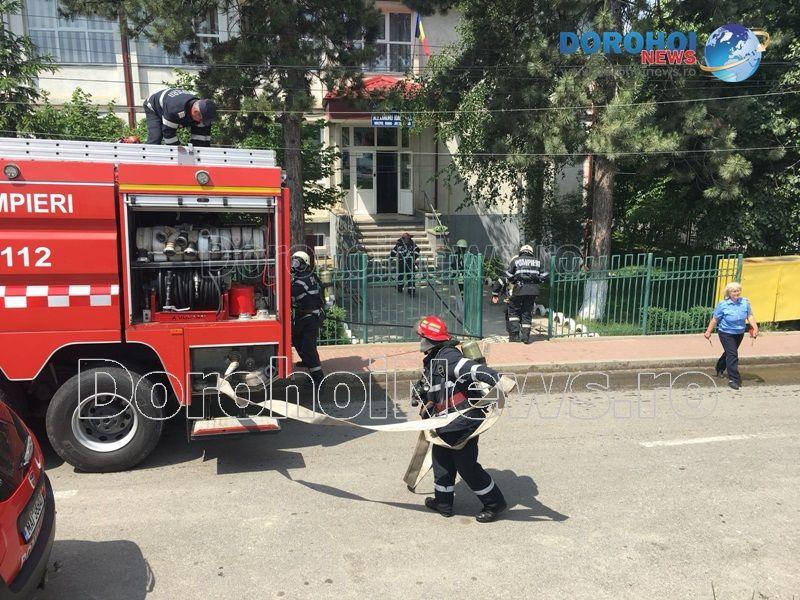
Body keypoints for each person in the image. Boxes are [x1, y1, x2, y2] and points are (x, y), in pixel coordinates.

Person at [416, 315, 516, 522]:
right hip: (446, 422)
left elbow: (473, 369)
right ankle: (443, 502)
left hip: (463, 421)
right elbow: (437, 386)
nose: (419, 340)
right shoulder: (434, 358)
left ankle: (495, 503)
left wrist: (500, 381)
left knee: (465, 465)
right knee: (441, 460)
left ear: (428, 339)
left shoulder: (448, 356)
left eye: (421, 336)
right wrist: (423, 395)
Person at [704, 281, 758, 390]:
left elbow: (750, 316)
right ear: (729, 293)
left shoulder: (745, 303)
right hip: (726, 333)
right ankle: (734, 380)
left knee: (729, 353)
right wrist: (708, 331)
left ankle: (719, 367)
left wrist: (755, 327)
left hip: (739, 333)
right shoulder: (723, 305)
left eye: (738, 290)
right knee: (733, 354)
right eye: (734, 291)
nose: (737, 293)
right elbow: (715, 319)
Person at [492, 244, 547, 344]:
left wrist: (495, 293)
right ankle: (526, 337)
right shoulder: (538, 262)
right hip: (533, 291)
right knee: (527, 312)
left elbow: (507, 276)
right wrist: (537, 280)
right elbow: (545, 276)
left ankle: (515, 335)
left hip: (519, 289)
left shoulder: (516, 261)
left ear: (521, 252)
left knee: (513, 311)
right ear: (531, 252)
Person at [290, 251, 325, 388]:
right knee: (296, 338)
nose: (293, 265)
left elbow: (291, 293)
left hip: (310, 317)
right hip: (306, 316)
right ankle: (306, 361)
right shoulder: (308, 275)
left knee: (309, 348)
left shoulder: (301, 280)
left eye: (296, 262)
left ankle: (318, 379)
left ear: (303, 264)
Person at [143, 88, 217, 147]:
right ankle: (148, 158)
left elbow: (203, 138)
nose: (202, 122)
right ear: (195, 112)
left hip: (173, 102)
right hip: (154, 106)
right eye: (201, 120)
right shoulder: (174, 110)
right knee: (156, 137)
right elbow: (168, 134)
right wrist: (179, 153)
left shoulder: (203, 112)